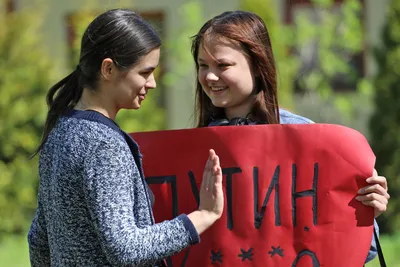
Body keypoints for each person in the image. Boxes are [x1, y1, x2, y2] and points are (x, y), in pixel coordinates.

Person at [27, 9, 224, 267]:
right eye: (144, 72)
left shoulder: (60, 130)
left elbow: (38, 239)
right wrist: (202, 216)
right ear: (108, 69)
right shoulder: (103, 144)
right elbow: (126, 249)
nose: (152, 83)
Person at [190, 10, 389, 263]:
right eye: (202, 65)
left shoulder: (309, 139)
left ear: (258, 65)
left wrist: (367, 211)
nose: (209, 76)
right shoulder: (193, 148)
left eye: (223, 65)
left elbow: (364, 251)